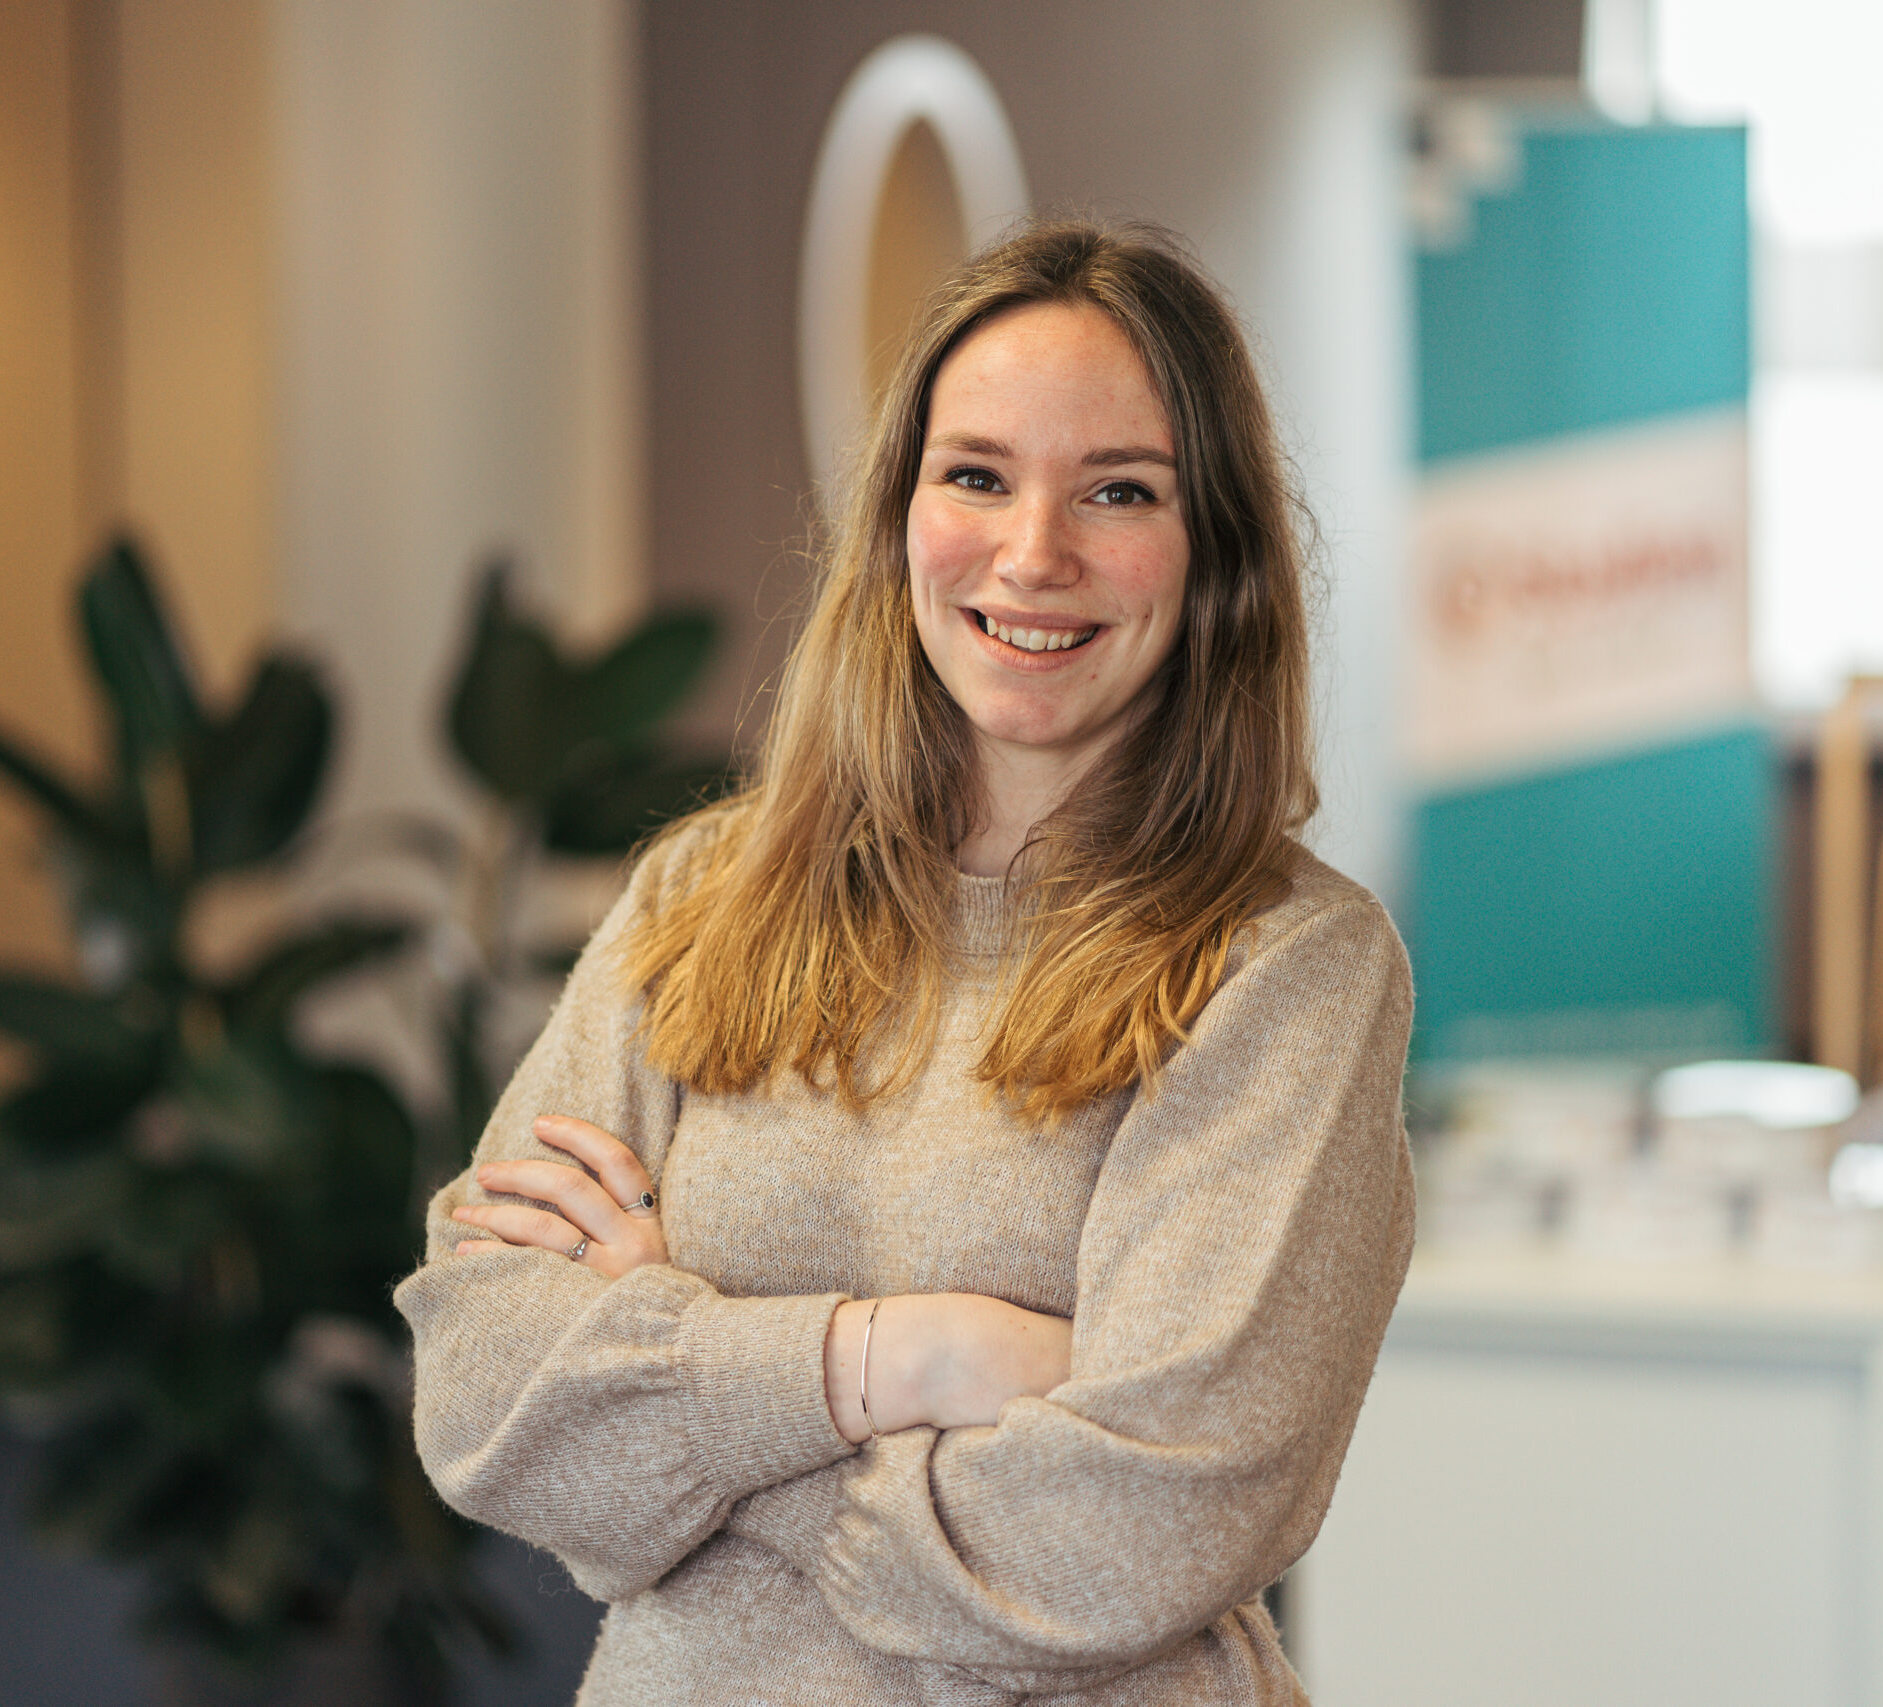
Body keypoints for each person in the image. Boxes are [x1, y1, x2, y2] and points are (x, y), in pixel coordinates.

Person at [393, 219, 1414, 1706]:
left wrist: (695, 1399)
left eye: (1119, 490)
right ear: (897, 517)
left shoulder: (1287, 967)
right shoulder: (704, 895)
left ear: (1218, 557)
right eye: (977, 476)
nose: (1034, 554)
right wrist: (908, 1360)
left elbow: (1146, 1530)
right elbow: (485, 1398)